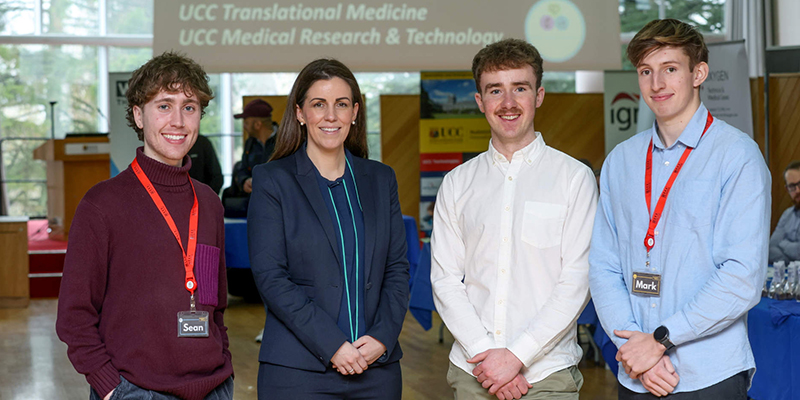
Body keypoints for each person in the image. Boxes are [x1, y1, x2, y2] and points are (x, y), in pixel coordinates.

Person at [589, 19, 770, 399]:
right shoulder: (621, 161)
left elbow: (742, 275)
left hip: (709, 373)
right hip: (636, 372)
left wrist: (660, 340)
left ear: (698, 73)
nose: (657, 84)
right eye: (646, 71)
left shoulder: (736, 156)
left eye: (670, 69)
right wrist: (635, 347)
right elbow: (604, 266)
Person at [56, 51, 234, 400]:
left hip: (214, 387)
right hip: (134, 390)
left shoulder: (209, 203)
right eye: (164, 106)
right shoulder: (102, 204)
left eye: (189, 107)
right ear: (139, 115)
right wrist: (110, 387)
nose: (178, 121)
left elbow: (216, 306)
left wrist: (223, 360)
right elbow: (74, 316)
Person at [431, 38, 597, 400]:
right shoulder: (457, 183)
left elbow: (577, 280)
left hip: (547, 374)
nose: (508, 103)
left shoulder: (574, 178)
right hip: (474, 372)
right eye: (495, 90)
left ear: (539, 95)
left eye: (519, 88)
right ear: (480, 101)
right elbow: (445, 281)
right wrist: (488, 357)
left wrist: (516, 356)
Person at [247, 58, 409, 399]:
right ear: (300, 113)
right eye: (319, 104)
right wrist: (333, 344)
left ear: (355, 112)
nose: (331, 116)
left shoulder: (381, 179)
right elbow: (271, 277)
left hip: (376, 370)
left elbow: (396, 269)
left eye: (342, 104)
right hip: (297, 372)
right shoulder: (272, 180)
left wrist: (382, 337)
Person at [234, 99, 277, 194]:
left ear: (257, 125)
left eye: (246, 123)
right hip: (254, 198)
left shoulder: (285, 141)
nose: (244, 127)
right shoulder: (250, 143)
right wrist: (245, 181)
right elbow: (242, 170)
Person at [769, 161, 800, 263]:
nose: (797, 190)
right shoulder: (787, 215)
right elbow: (771, 249)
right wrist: (793, 264)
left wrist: (783, 244)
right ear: (787, 189)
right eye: (792, 186)